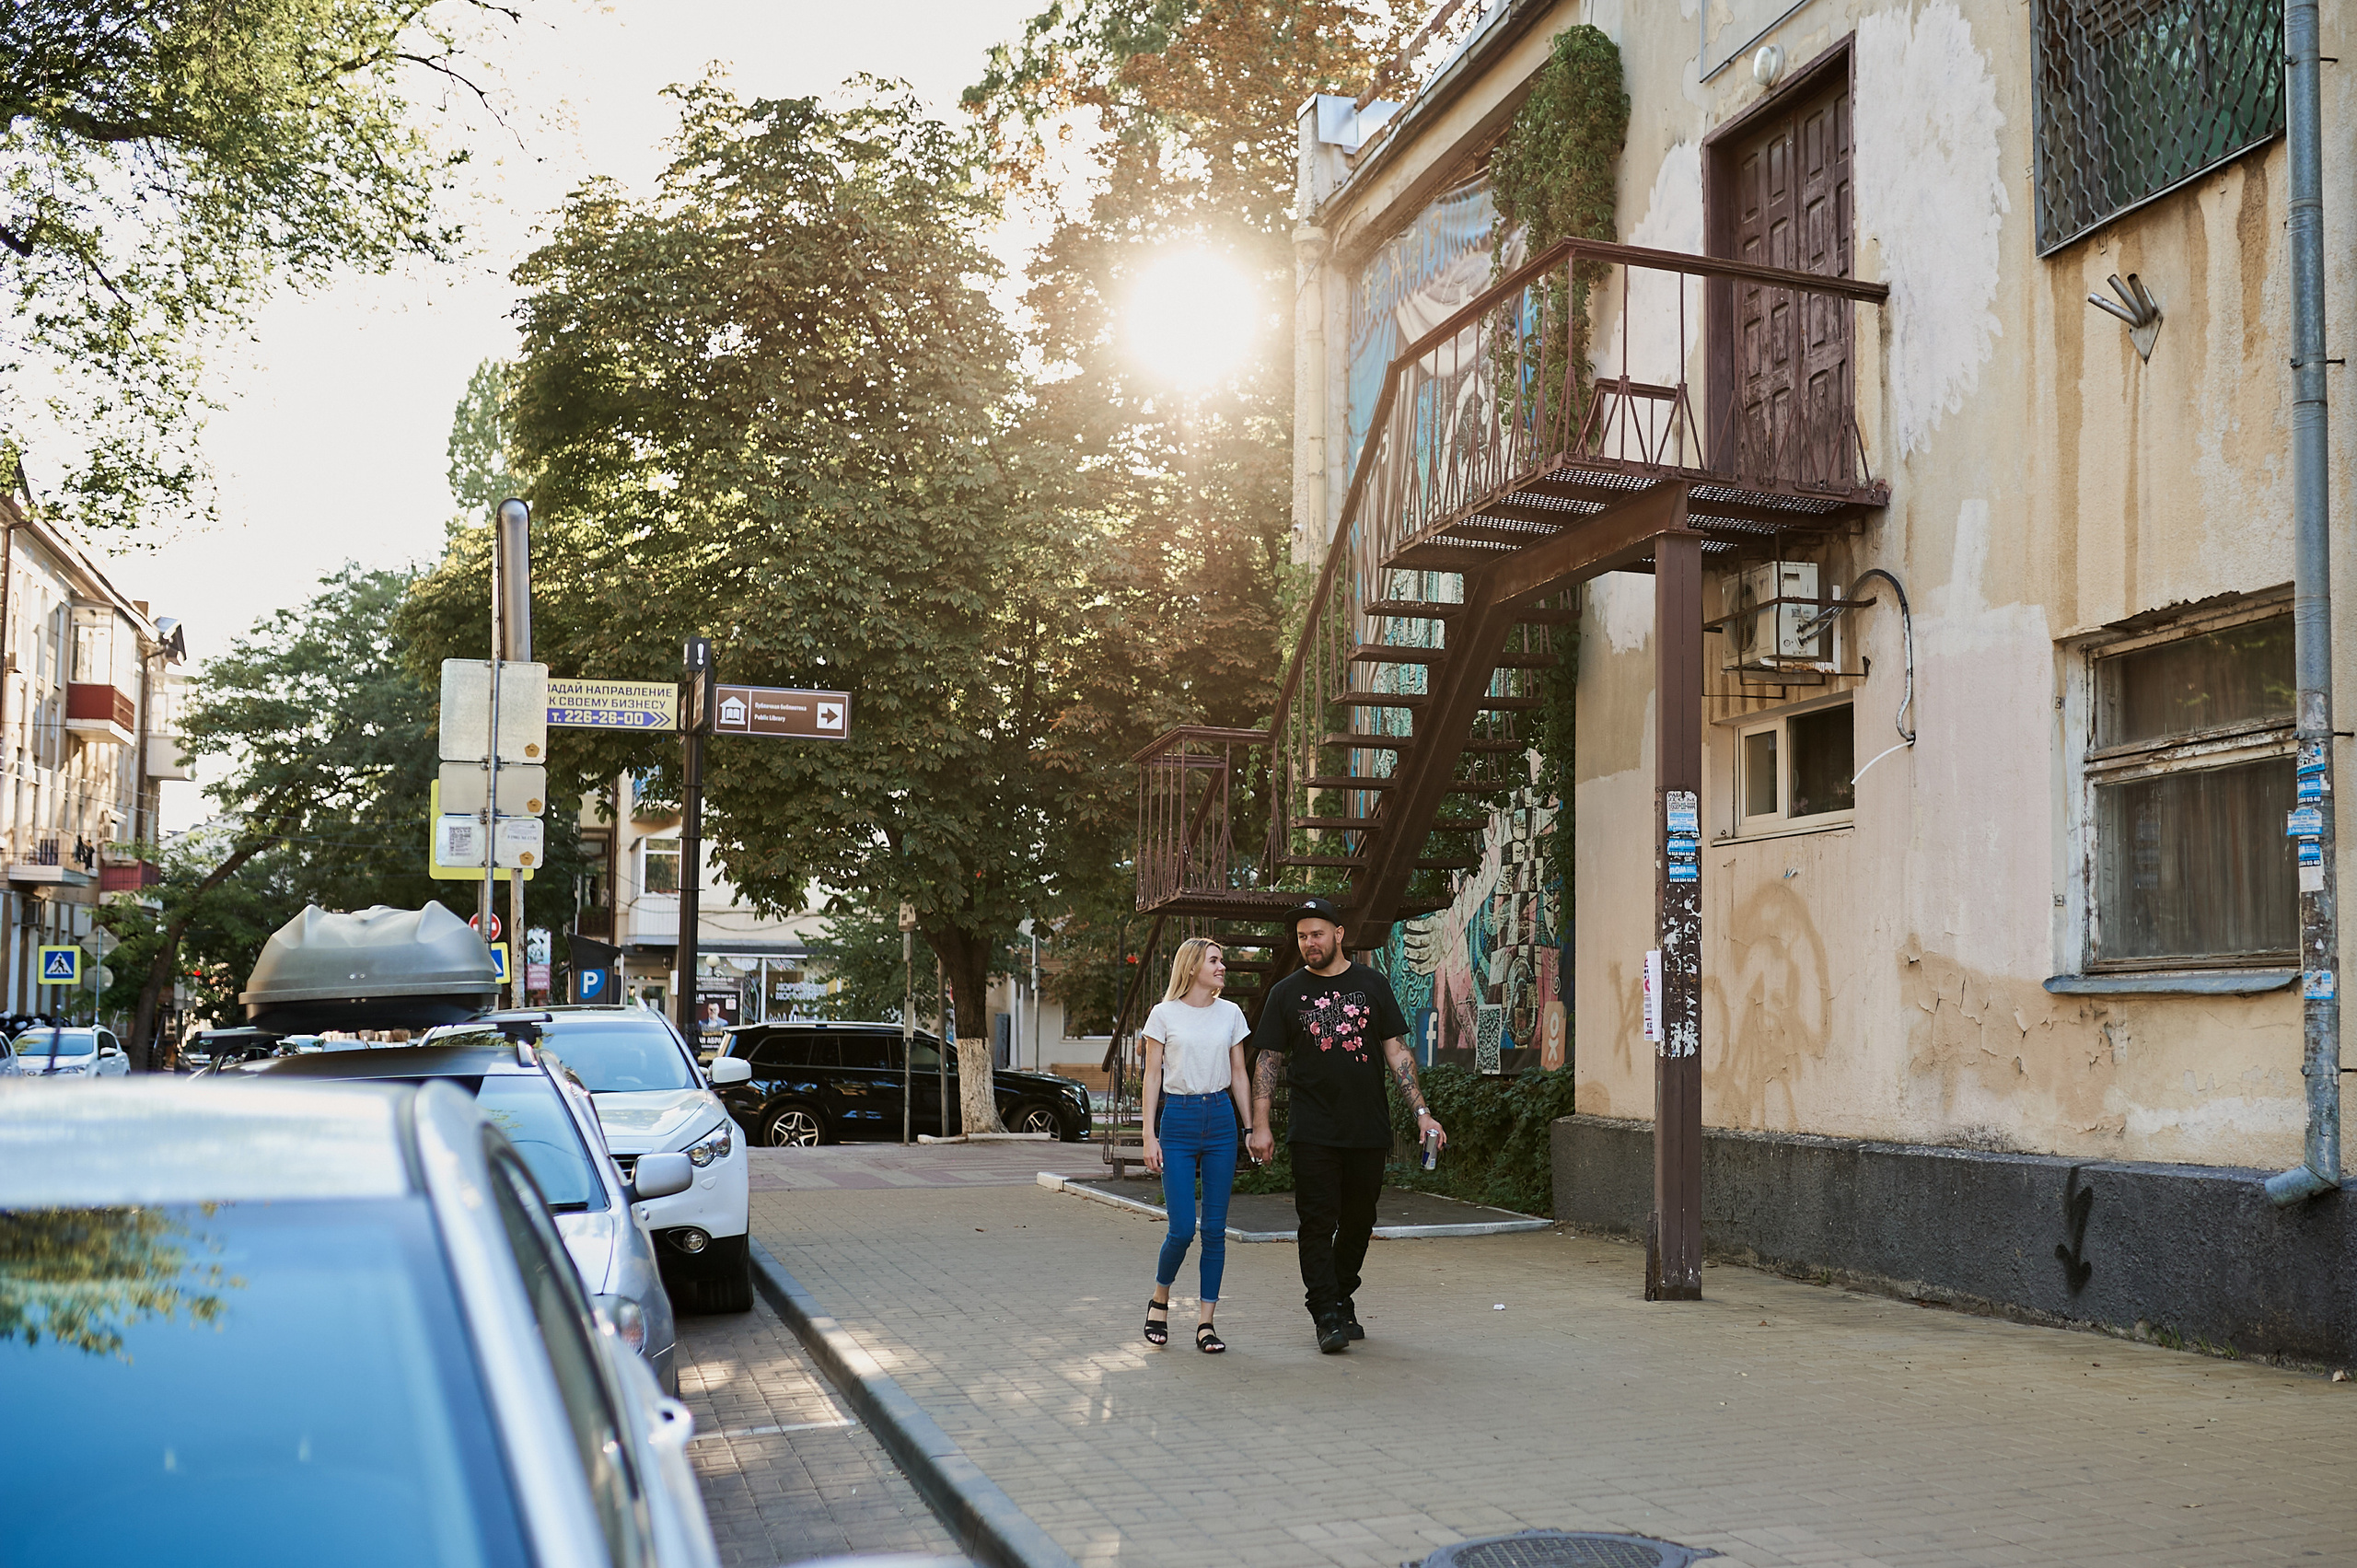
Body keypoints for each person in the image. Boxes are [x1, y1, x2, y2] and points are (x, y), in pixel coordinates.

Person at [1248, 897, 1446, 1353]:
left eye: (1317, 933)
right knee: (1317, 1222)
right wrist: (1261, 1126)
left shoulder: (1372, 985)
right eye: (1301, 936)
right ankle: (1325, 1314)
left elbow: (1397, 1052)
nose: (1308, 943)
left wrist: (1422, 1112)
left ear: (1339, 934)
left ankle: (1340, 1294)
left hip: (1367, 1128)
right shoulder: (1286, 993)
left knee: (1360, 1220)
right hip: (1312, 1129)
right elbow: (1268, 1064)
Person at [1139, 936, 1255, 1354]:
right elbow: (1152, 1077)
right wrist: (1149, 1135)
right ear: (1192, 967)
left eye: (1221, 961)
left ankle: (1206, 1323)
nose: (1222, 967)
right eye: (1215, 960)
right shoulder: (1162, 1014)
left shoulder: (1231, 1013)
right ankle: (1160, 1300)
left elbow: (1239, 1073)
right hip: (1179, 1121)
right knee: (1183, 1228)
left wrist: (1250, 1128)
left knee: (1216, 1231)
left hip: (1221, 1118)